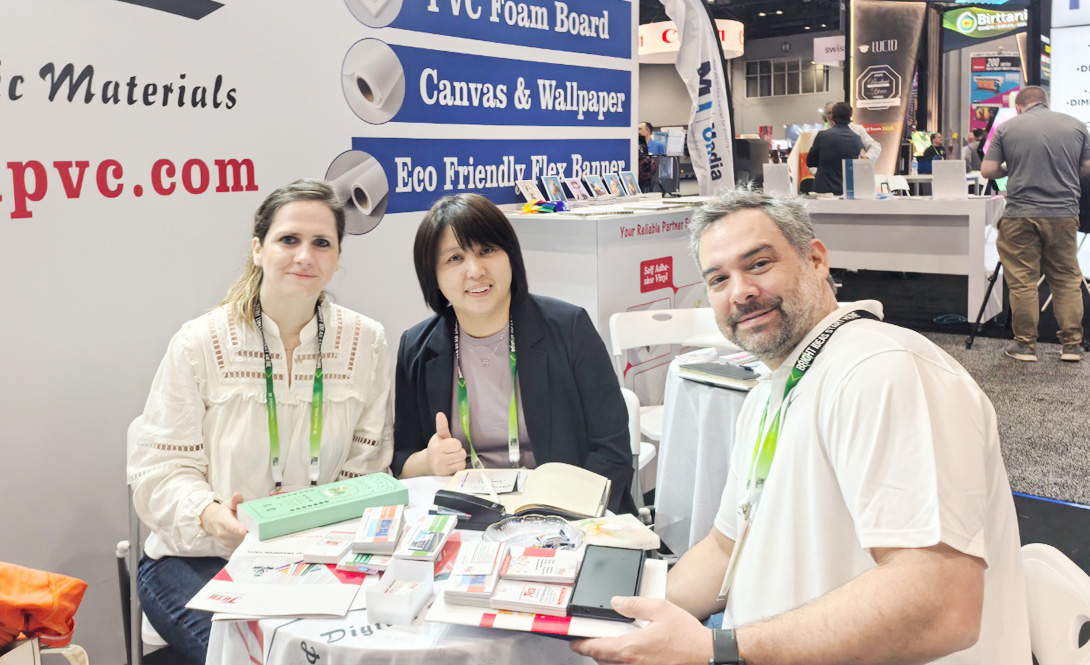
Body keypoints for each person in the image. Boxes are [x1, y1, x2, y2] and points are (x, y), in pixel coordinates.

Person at [572, 188, 1029, 665]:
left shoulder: (882, 369)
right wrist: (609, 615)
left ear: (816, 260)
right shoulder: (769, 394)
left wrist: (717, 649)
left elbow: (941, 604)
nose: (740, 291)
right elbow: (724, 549)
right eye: (719, 279)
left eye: (759, 264)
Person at [127, 179, 394, 663]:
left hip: (316, 558)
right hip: (200, 558)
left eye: (321, 243)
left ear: (337, 257)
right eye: (288, 239)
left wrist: (328, 526)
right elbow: (158, 473)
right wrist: (212, 516)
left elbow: (367, 464)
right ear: (258, 249)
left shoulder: (366, 341)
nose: (305, 256)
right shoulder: (200, 342)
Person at [393, 193, 634, 512]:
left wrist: (566, 514)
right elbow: (401, 458)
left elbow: (612, 450)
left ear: (511, 256)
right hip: (467, 514)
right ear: (432, 276)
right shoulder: (416, 348)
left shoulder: (568, 328)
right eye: (455, 258)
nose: (475, 270)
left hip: (565, 511)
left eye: (487, 250)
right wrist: (427, 461)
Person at [982, 85, 1090, 362]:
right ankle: (1072, 346)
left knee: (1023, 281)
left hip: (1020, 213)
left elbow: (988, 170)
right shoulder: (1076, 126)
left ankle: (1025, 345)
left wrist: (1012, 168)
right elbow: (1087, 167)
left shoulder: (1007, 128)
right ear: (1046, 102)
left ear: (1018, 107)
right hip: (1063, 214)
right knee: (1066, 279)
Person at [806, 102, 863, 195]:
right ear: (850, 116)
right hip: (847, 190)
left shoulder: (822, 136)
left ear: (833, 116)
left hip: (824, 190)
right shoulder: (857, 138)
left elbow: (810, 162)